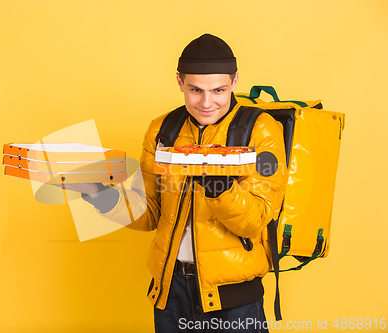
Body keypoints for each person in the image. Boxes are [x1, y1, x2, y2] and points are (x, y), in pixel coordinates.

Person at [59, 33, 287, 333]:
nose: (207, 102)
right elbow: (149, 212)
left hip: (234, 299)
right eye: (195, 90)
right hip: (170, 290)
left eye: (218, 90)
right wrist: (98, 194)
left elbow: (255, 222)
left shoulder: (261, 130)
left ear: (234, 82)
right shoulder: (162, 130)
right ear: (180, 82)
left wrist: (217, 187)